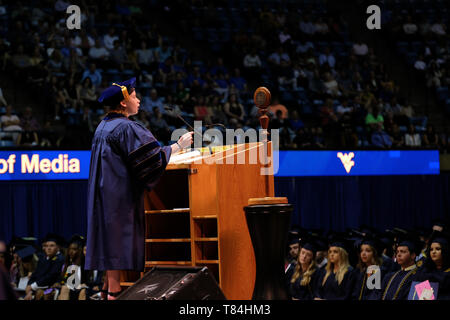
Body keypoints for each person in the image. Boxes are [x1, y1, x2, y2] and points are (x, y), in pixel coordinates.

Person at [85, 77, 193, 300]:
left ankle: (108, 292)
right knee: (115, 252)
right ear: (123, 102)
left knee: (110, 257)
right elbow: (151, 160)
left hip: (105, 198)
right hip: (119, 201)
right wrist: (178, 146)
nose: (139, 100)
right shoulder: (126, 127)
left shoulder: (103, 126)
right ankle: (113, 294)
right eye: (134, 96)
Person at [24, 234, 65, 300]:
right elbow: (35, 274)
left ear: (58, 247)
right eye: (46, 246)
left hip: (52, 286)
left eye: (52, 245)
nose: (48, 248)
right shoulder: (44, 258)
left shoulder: (60, 259)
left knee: (41, 293)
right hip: (39, 286)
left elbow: (50, 276)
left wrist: (32, 286)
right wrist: (29, 285)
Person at [414, 232, 450, 300]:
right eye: (431, 249)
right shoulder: (425, 270)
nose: (433, 252)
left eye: (438, 249)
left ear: (445, 250)